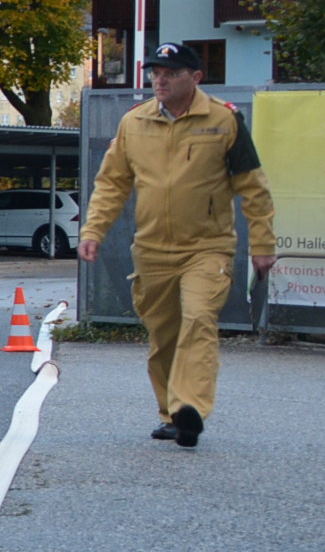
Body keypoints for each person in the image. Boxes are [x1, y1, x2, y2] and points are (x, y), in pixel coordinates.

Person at [76, 40, 275, 449]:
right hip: (151, 250)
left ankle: (190, 407)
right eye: (156, 73)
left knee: (198, 320)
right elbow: (112, 184)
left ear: (195, 77)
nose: (160, 81)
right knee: (164, 334)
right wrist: (93, 231)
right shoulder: (134, 122)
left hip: (208, 247)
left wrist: (262, 243)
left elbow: (253, 187)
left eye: (171, 74)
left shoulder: (224, 120)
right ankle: (172, 414)